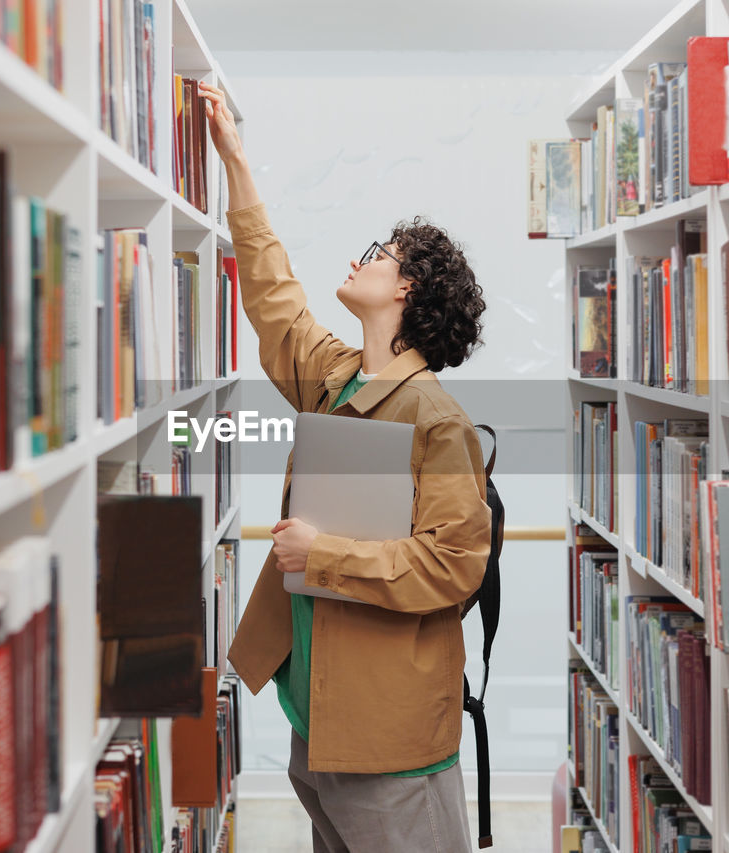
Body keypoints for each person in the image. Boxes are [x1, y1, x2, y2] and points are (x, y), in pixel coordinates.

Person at [199, 82, 492, 853]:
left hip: (387, 735)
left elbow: (453, 562)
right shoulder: (337, 379)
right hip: (320, 716)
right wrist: (235, 162)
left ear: (406, 288)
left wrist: (320, 555)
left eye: (378, 254)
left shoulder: (436, 417)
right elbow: (274, 301)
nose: (359, 260)